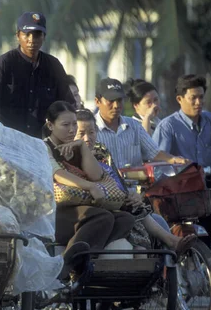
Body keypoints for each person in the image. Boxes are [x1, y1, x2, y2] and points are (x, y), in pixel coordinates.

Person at [75, 108, 195, 254]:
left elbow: (117, 182)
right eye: (81, 134)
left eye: (92, 132)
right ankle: (170, 241)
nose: (87, 138)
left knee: (145, 223)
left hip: (119, 203)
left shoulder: (102, 152)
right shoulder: (71, 158)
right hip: (99, 209)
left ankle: (167, 254)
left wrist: (131, 196)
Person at [44, 101, 135, 268]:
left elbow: (96, 176)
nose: (72, 130)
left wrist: (82, 147)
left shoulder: (78, 147)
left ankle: (86, 260)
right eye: (65, 125)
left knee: (126, 219)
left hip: (85, 207)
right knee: (103, 217)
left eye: (73, 124)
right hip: (56, 212)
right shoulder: (44, 146)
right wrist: (90, 187)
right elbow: (57, 174)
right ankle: (65, 266)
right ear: (50, 125)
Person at [153, 74, 211, 237]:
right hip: (183, 193)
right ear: (180, 99)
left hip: (210, 186)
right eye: (193, 98)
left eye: (201, 97)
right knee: (205, 225)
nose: (198, 102)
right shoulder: (167, 127)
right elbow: (157, 164)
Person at [0, 11, 74, 138]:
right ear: (18, 36)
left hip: (45, 144)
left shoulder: (53, 65)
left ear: (44, 36)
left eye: (37, 35)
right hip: (10, 142)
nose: (32, 40)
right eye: (27, 34)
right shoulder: (4, 64)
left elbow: (67, 104)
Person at [94, 78, 188, 169]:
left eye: (119, 100)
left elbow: (154, 152)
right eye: (111, 101)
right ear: (97, 101)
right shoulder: (89, 129)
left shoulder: (134, 126)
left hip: (134, 184)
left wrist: (174, 159)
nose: (116, 105)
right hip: (104, 185)